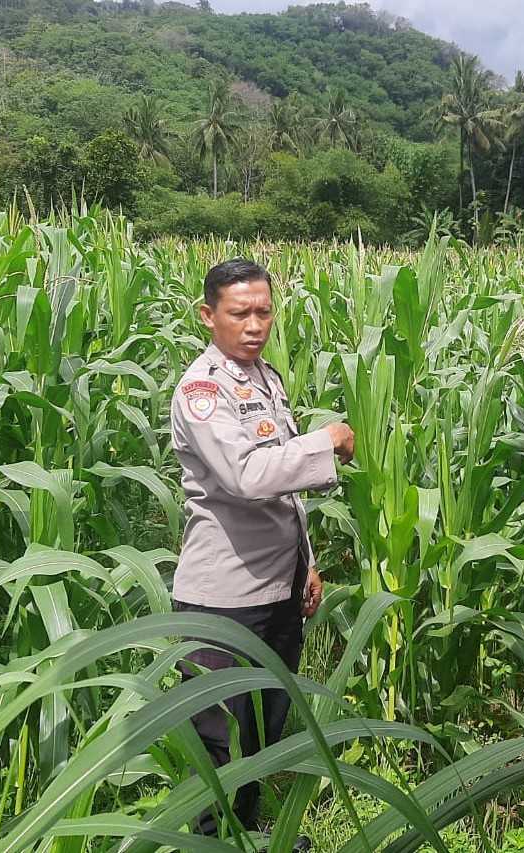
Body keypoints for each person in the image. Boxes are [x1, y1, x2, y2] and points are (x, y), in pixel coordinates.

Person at [170, 258, 354, 843]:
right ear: (208, 316)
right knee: (222, 744)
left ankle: (248, 838)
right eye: (239, 313)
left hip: (278, 587)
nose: (255, 325)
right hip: (224, 597)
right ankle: (213, 842)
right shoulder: (203, 391)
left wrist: (308, 562)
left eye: (264, 311)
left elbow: (283, 492)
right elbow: (246, 477)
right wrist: (324, 442)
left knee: (263, 732)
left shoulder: (263, 379)